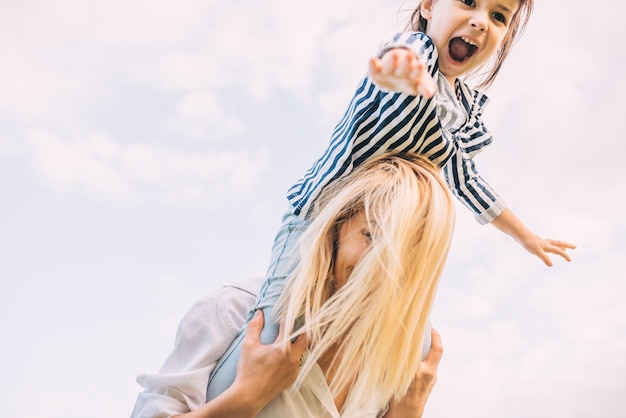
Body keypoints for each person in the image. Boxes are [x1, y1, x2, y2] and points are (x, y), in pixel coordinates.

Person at [208, 0, 577, 403]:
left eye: (498, 15)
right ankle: (233, 397)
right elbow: (400, 54)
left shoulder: (461, 113)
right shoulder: (414, 50)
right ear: (430, 5)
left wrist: (526, 237)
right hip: (317, 219)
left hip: (389, 244)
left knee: (412, 347)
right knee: (274, 331)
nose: (479, 20)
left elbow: (468, 182)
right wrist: (400, 71)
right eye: (468, 2)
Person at [131, 153, 451, 417]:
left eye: (406, 258)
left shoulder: (396, 366)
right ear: (336, 228)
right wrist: (246, 398)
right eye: (371, 235)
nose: (379, 268)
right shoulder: (233, 310)